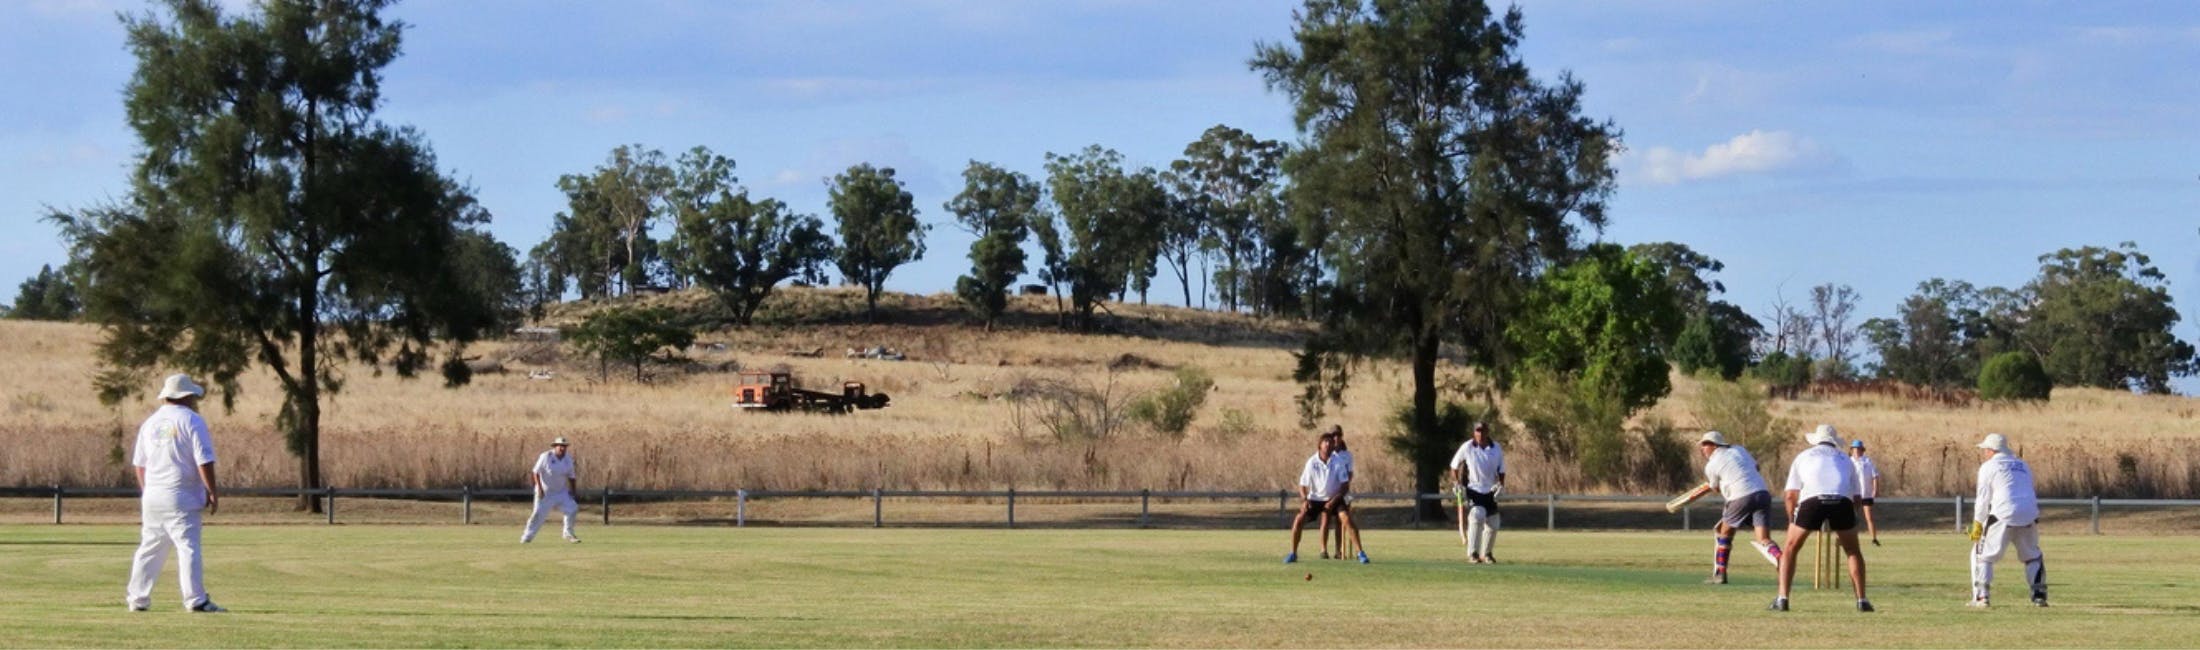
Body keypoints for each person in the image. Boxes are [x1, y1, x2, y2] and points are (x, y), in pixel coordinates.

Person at [125, 373, 225, 613]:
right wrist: (211, 490)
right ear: (187, 396)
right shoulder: (192, 420)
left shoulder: (150, 423)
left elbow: (140, 464)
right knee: (188, 547)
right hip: (181, 494)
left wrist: (148, 491)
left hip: (152, 496)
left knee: (150, 547)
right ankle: (195, 599)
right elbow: (204, 459)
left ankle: (137, 598)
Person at [1770, 424, 1872, 613]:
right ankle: (1862, 600)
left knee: (1790, 548)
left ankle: (1782, 598)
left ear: (1815, 440)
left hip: (1812, 501)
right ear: (1835, 442)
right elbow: (1857, 497)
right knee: (1852, 550)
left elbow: (1791, 495)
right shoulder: (1846, 459)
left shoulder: (1803, 457)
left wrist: (1792, 519)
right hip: (1842, 503)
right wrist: (1850, 519)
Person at [1969, 433, 2047, 608]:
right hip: (2029, 514)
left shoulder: (1988, 467)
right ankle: (2039, 595)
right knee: (2032, 556)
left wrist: (1978, 523)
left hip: (2002, 513)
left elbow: (1983, 498)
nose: (1984, 453)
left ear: (1991, 450)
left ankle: (1982, 597)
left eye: (1985, 450)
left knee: (1983, 556)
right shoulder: (2023, 465)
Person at [1696, 431, 1782, 584]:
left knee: (1724, 533)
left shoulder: (1711, 465)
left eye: (1705, 445)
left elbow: (1715, 488)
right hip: (1762, 493)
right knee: (1763, 538)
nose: (1702, 449)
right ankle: (1780, 558)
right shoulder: (1739, 450)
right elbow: (1756, 467)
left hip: (1740, 496)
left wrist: (1720, 484)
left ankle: (1720, 574)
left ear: (1714, 445)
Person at [1448, 421, 1505, 564]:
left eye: (1483, 431)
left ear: (1487, 431)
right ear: (1474, 432)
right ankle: (1472, 553)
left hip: (1490, 490)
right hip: (1473, 489)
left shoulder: (1496, 448)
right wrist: (1456, 483)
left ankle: (1487, 554)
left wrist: (1501, 485)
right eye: (1478, 431)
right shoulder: (1467, 447)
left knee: (1494, 523)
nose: (1480, 434)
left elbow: (1501, 470)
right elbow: (1454, 466)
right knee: (1477, 514)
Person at [1285, 433, 1344, 563]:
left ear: (1333, 445)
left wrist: (1333, 500)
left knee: (1325, 518)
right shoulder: (1312, 462)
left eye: (1330, 442)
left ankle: (1323, 551)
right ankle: (1293, 553)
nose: (1328, 444)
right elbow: (1303, 484)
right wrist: (1304, 500)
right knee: (1298, 520)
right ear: (1320, 445)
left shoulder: (1337, 460)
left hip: (1330, 499)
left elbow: (1344, 485)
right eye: (1325, 442)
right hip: (1314, 499)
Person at [1318, 426, 1369, 563]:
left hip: (1344, 492)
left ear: (1341, 436)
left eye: (1338, 435)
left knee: (1342, 521)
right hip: (1328, 492)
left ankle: (1339, 550)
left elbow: (1350, 474)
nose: (1336, 438)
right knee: (1326, 520)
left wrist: (1343, 487)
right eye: (1333, 435)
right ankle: (1323, 550)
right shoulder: (1326, 453)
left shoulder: (1347, 455)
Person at [521, 436, 581, 544]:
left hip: (561, 492)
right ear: (555, 446)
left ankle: (568, 533)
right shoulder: (546, 456)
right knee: (537, 515)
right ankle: (526, 538)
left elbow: (572, 477)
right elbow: (536, 472)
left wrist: (573, 491)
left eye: (564, 446)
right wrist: (539, 488)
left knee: (572, 508)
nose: (562, 448)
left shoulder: (568, 459)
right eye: (560, 446)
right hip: (545, 492)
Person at [1849, 439, 1882, 546]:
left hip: (1866, 494)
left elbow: (1875, 476)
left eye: (1859, 449)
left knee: (1869, 517)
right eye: (1855, 449)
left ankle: (1874, 539)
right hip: (1854, 494)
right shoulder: (1849, 462)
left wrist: (1875, 489)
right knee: (1852, 517)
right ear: (1852, 450)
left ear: (1862, 450)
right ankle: (1850, 538)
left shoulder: (1867, 461)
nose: (1857, 451)